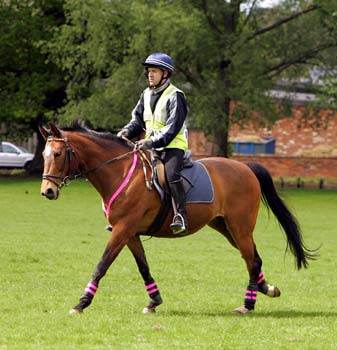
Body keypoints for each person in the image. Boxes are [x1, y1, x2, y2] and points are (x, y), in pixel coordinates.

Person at [117, 52, 188, 234]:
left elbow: (172, 129)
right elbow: (137, 120)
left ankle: (180, 215)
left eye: (154, 71)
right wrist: (126, 131)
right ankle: (124, 218)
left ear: (165, 74)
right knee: (132, 174)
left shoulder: (176, 96)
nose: (150, 74)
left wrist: (149, 142)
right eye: (149, 71)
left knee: (171, 175)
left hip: (173, 147)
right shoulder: (146, 94)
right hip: (151, 147)